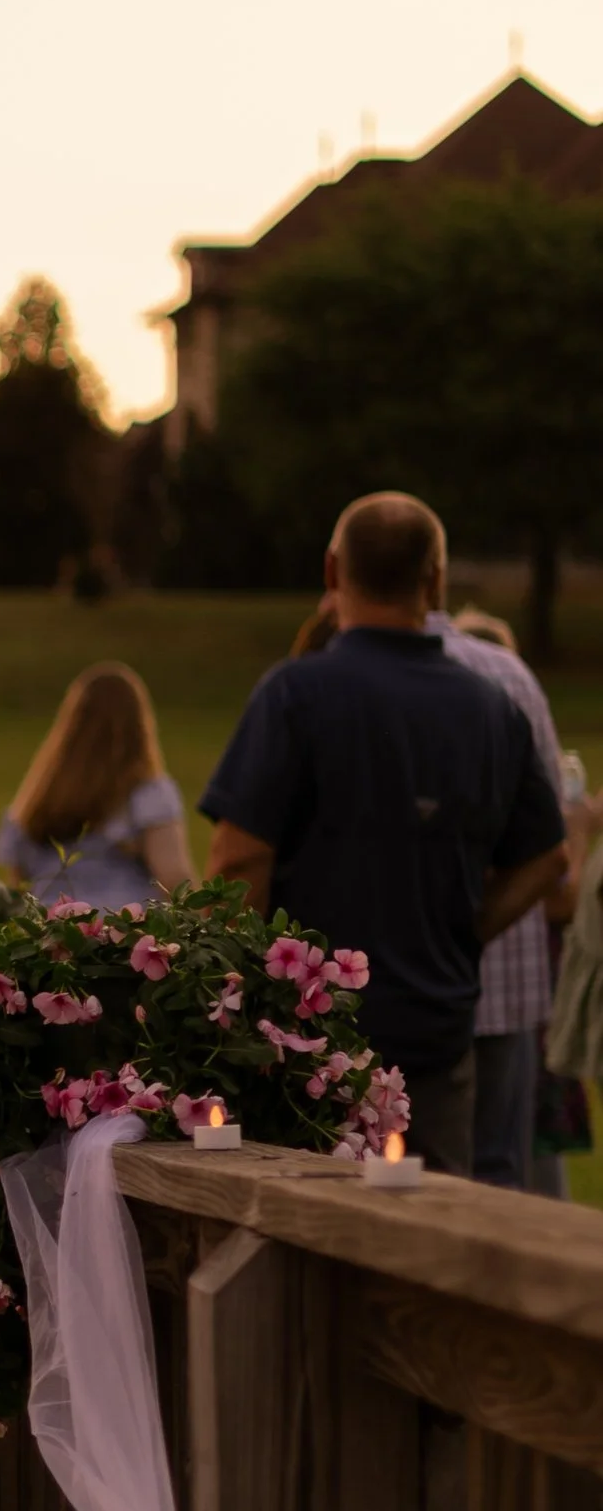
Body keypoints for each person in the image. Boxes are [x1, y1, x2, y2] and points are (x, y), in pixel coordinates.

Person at [202, 494, 565, 1178]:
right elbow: (547, 858)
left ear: (332, 570)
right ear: (437, 581)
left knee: (310, 1244)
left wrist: (249, 991)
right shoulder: (492, 709)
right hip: (438, 1034)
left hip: (309, 1047)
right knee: (434, 1240)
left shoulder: (294, 696)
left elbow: (238, 858)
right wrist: (465, 931)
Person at [420, 602, 571, 1191]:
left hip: (406, 974)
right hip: (505, 972)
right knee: (498, 1176)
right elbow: (548, 839)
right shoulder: (510, 674)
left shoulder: (352, 676)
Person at [0, 663, 190, 911]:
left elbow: (19, 887)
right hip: (120, 935)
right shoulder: (148, 795)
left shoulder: (37, 798)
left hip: (50, 936)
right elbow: (173, 877)